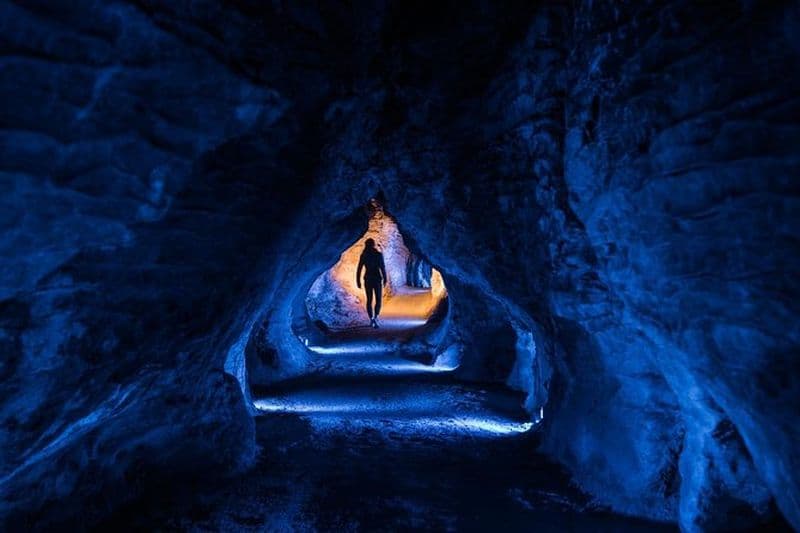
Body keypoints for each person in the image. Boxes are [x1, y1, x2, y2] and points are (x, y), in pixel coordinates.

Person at [356, 238, 387, 328]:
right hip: (377, 278)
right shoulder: (378, 255)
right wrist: (385, 279)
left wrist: (358, 280)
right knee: (378, 299)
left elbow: (359, 269)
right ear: (373, 245)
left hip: (368, 279)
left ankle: (371, 319)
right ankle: (376, 317)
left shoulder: (364, 255)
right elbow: (382, 268)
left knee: (369, 300)